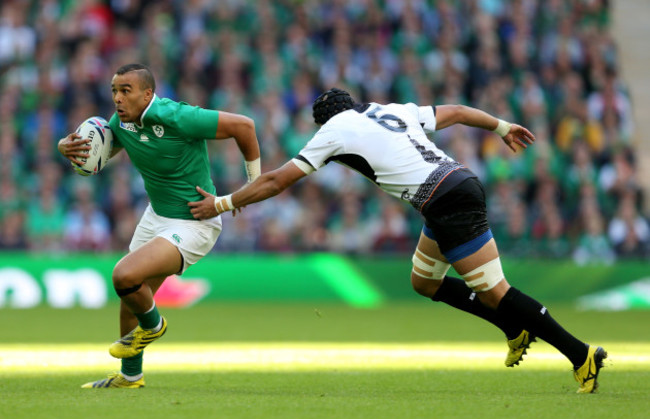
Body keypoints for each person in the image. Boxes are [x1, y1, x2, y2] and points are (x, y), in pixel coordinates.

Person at [189, 88, 607, 394]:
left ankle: (581, 354)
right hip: (452, 186)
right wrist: (501, 126)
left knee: (496, 290)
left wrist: (223, 203)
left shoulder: (333, 130)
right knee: (423, 282)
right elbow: (458, 111)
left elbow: (278, 179)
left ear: (324, 120)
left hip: (445, 201)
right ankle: (511, 327)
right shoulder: (389, 109)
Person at [57, 64, 261, 388]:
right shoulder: (120, 124)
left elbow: (245, 127)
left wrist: (251, 185)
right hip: (156, 217)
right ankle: (130, 376)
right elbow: (96, 157)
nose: (118, 99)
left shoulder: (178, 116)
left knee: (124, 275)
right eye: (114, 91)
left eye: (126, 91)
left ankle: (152, 325)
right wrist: (65, 149)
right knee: (131, 295)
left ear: (148, 94)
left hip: (194, 222)